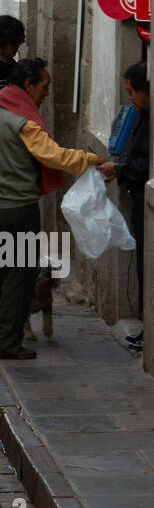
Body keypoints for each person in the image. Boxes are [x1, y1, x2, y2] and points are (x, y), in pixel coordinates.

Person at [0, 59, 105, 360]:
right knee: (20, 277)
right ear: (28, 86)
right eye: (44, 86)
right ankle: (6, 343)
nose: (46, 93)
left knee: (1, 274)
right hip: (20, 209)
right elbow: (54, 156)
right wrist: (92, 159)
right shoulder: (25, 123)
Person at [100, 61, 150, 350]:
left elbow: (145, 163)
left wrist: (120, 169)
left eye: (132, 91)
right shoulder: (139, 115)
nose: (129, 97)